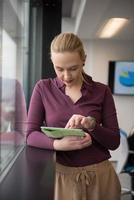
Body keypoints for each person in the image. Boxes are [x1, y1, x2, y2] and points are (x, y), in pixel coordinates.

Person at [26, 32, 121, 200]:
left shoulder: (102, 91)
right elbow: (30, 135)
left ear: (83, 60)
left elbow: (114, 142)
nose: (66, 76)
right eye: (59, 69)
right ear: (53, 63)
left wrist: (92, 126)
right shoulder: (43, 88)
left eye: (73, 68)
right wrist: (57, 145)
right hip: (61, 178)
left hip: (101, 177)